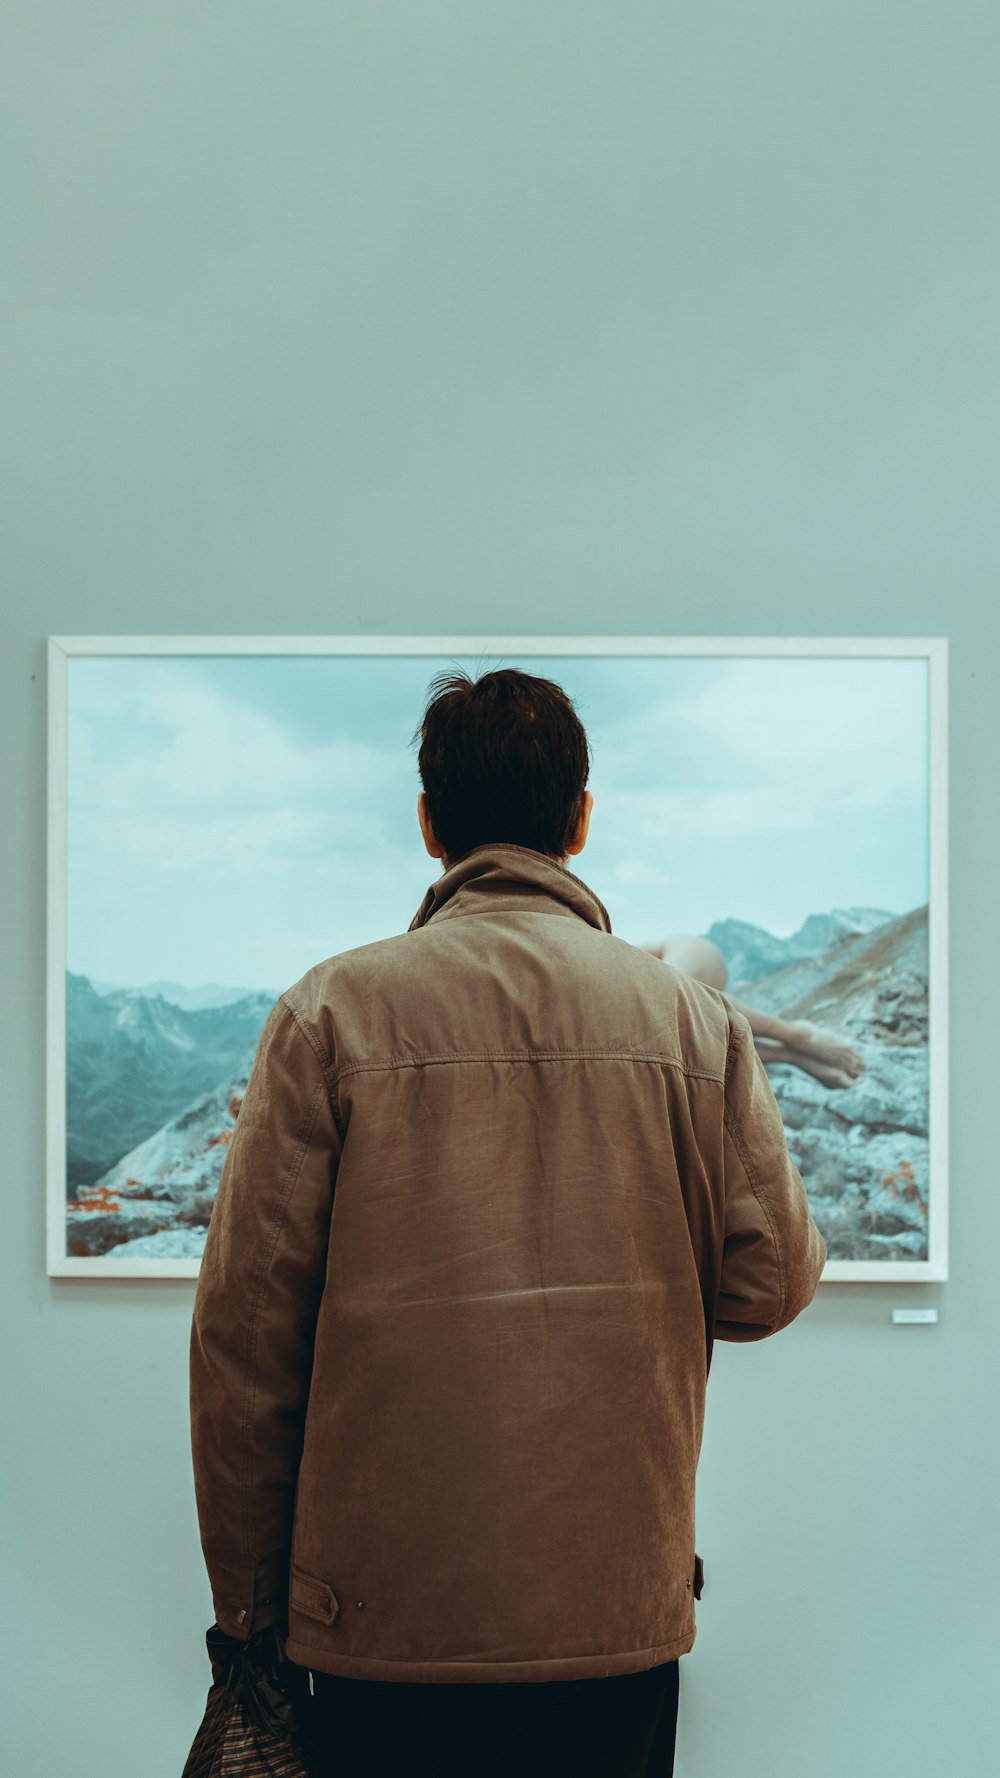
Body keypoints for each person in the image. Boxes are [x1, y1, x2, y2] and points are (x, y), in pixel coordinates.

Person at [189, 667, 829, 1778]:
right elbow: (763, 1286)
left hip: (378, 1618)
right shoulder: (694, 1021)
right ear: (580, 818)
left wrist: (249, 1617)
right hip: (612, 1607)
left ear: (429, 823)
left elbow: (246, 1344)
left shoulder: (328, 1009)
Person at [643, 936, 866, 1091]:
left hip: (683, 954)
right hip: (665, 1017)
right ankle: (790, 1054)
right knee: (663, 1035)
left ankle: (797, 1035)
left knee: (658, 999)